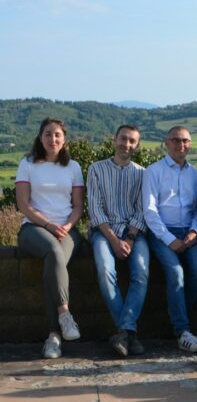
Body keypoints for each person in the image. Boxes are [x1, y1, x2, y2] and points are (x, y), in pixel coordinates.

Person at [15, 117, 85, 359]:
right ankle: (65, 315)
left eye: (57, 134)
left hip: (66, 230)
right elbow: (23, 204)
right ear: (40, 137)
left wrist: (65, 226)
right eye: (47, 134)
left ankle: (53, 337)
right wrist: (48, 225)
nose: (52, 139)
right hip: (34, 228)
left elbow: (77, 206)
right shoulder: (28, 164)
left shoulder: (73, 167)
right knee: (53, 253)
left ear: (64, 138)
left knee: (53, 266)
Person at [143, 126, 197, 353]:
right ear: (166, 143)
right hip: (162, 232)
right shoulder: (153, 171)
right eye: (176, 140)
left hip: (190, 232)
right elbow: (150, 211)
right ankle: (182, 332)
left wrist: (194, 232)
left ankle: (176, 313)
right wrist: (169, 239)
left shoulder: (195, 174)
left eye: (186, 141)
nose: (181, 145)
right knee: (176, 273)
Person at [87, 125, 149, 357]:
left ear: (137, 145)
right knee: (105, 270)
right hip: (103, 232)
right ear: (114, 140)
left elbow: (141, 211)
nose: (127, 144)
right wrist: (114, 240)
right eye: (123, 139)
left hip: (133, 232)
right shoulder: (96, 169)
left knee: (141, 272)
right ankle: (129, 333)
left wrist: (130, 239)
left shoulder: (143, 173)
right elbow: (95, 209)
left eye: (132, 141)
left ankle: (123, 332)